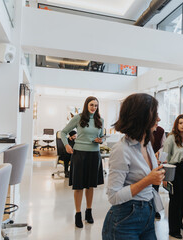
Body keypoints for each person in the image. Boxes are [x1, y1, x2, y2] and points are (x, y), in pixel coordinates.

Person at [102, 93, 165, 240]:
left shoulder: (147, 143)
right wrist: (148, 180)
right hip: (125, 219)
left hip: (148, 212)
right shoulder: (122, 150)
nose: (159, 119)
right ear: (142, 117)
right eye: (155, 114)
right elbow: (113, 196)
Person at [61, 96, 105, 228]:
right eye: (92, 105)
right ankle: (78, 213)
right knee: (79, 185)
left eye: (96, 105)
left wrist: (100, 140)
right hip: (79, 154)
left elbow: (101, 137)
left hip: (94, 154)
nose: (94, 107)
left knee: (91, 185)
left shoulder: (100, 120)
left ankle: (89, 212)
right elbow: (63, 132)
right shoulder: (78, 118)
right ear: (86, 105)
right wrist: (67, 145)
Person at [163, 114, 183, 239]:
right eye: (180, 123)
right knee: (175, 200)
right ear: (176, 124)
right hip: (174, 170)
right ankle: (173, 230)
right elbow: (164, 157)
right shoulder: (170, 138)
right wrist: (165, 177)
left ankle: (179, 221)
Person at [152, 125, 166, 220]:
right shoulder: (141, 129)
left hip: (156, 163)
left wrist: (159, 154)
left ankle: (155, 210)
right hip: (144, 163)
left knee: (155, 188)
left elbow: (163, 146)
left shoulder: (160, 131)